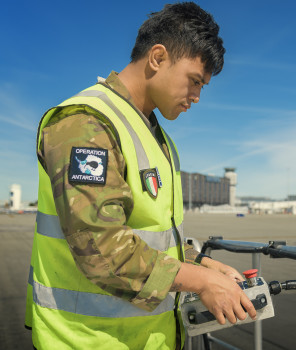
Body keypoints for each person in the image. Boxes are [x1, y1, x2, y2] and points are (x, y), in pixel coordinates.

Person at [25, 2, 256, 349]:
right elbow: (103, 249)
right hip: (86, 340)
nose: (196, 96)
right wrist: (203, 283)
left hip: (147, 339)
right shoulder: (87, 123)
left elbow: (151, 237)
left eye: (202, 87)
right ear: (158, 57)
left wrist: (206, 265)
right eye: (194, 81)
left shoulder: (156, 136)